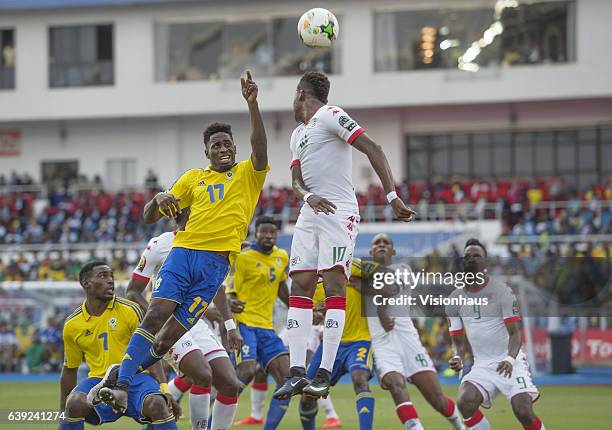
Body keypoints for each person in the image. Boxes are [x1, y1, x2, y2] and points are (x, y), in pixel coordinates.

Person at [98, 71, 268, 420]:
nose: (222, 148)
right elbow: (149, 216)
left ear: (235, 147)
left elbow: (260, 146)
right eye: (215, 145)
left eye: (227, 143)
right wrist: (158, 197)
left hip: (215, 268)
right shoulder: (193, 178)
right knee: (156, 314)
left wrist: (252, 104)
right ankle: (122, 386)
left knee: (163, 342)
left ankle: (117, 377)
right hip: (184, 255)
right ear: (206, 151)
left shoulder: (249, 175)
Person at [274, 71, 416, 400]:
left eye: (295, 96)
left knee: (335, 282)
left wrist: (392, 197)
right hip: (310, 212)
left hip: (338, 211)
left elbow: (374, 148)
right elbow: (296, 182)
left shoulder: (332, 114)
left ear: (301, 94)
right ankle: (297, 372)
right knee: (302, 285)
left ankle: (323, 373)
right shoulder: (297, 134)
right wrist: (308, 197)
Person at [124, 208, 242, 430]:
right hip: (167, 323)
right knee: (203, 375)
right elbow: (132, 291)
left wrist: (229, 325)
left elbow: (218, 289)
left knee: (229, 384)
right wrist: (156, 316)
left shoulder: (211, 244)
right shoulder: (159, 244)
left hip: (195, 322)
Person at [59, 261, 179, 429]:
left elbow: (149, 351)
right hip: (98, 382)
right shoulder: (72, 324)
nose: (110, 281)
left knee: (158, 405)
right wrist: (62, 411)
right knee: (73, 404)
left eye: (111, 276)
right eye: (103, 276)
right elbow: (70, 369)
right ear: (86, 283)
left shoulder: (130, 310)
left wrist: (165, 390)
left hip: (136, 378)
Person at [366, 234, 464, 430]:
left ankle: (459, 425)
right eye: (377, 243)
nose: (382, 245)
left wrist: (380, 307)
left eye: (387, 243)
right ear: (371, 252)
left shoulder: (402, 269)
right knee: (395, 384)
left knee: (437, 400)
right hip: (382, 343)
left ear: (393, 251)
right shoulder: (363, 275)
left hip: (408, 341)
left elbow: (390, 287)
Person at [446, 239, 545, 430]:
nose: (471, 259)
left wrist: (509, 359)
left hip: (510, 361)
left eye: (476, 256)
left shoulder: (502, 293)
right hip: (482, 365)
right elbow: (458, 341)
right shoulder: (454, 300)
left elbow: (515, 334)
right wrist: (457, 356)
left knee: (522, 410)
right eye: (467, 256)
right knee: (465, 402)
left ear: (486, 263)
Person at [226, 216, 291, 429]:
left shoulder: (282, 256)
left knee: (287, 380)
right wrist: (232, 303)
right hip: (245, 324)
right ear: (256, 234)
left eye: (272, 232)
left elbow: (282, 288)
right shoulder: (243, 258)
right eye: (264, 232)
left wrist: (300, 310)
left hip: (267, 327)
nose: (268, 236)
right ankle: (212, 423)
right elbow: (230, 292)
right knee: (246, 371)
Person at [299, 258, 376, 430]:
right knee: (307, 393)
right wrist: (315, 316)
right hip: (330, 344)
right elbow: (314, 315)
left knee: (359, 378)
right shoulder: (315, 282)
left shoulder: (351, 264)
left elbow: (382, 276)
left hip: (359, 340)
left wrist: (367, 287)